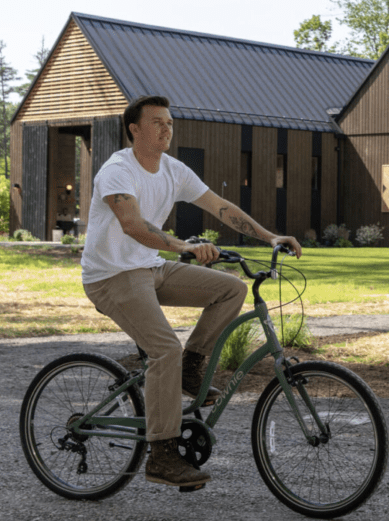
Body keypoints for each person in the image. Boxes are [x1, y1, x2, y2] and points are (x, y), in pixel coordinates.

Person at [81, 96, 302, 489]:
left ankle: (190, 366)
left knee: (231, 290)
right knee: (164, 347)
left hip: (150, 267)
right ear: (135, 129)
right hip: (112, 275)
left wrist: (270, 236)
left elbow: (220, 206)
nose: (167, 129)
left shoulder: (173, 169)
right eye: (157, 123)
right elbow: (132, 224)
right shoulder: (117, 170)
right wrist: (183, 246)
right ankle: (162, 454)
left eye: (170, 122)